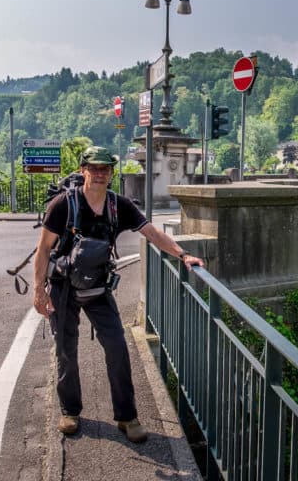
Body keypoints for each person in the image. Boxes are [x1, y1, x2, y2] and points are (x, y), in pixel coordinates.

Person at [32, 146, 204, 440]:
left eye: (105, 169)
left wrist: (182, 254)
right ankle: (70, 411)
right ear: (83, 169)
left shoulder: (118, 205)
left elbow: (152, 232)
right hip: (63, 287)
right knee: (66, 350)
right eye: (94, 168)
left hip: (98, 288)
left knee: (117, 348)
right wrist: (39, 290)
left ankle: (127, 417)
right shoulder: (63, 204)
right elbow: (44, 249)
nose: (100, 174)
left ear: (111, 173)